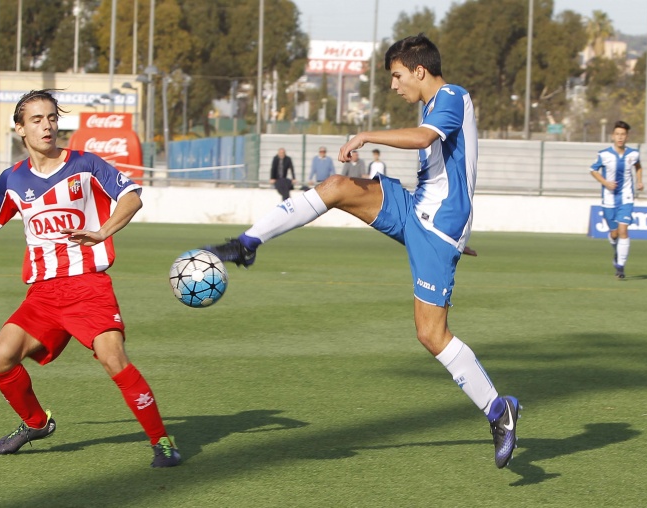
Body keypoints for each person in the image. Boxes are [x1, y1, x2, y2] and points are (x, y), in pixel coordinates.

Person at [205, 34, 520, 469]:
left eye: (396, 76)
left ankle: (498, 411)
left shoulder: (451, 96)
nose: (394, 85)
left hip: (435, 230)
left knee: (431, 334)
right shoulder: (432, 103)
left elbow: (424, 138)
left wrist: (369, 134)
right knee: (337, 186)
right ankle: (247, 243)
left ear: (419, 70)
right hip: (416, 211)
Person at [0, 89, 181, 468]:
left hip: (88, 286)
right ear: (20, 128)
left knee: (114, 359)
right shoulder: (12, 179)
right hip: (44, 294)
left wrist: (102, 232)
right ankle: (36, 424)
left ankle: (162, 441)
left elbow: (132, 197)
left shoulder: (86, 163)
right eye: (36, 119)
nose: (47, 125)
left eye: (51, 117)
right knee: (0, 357)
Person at [589, 120, 644, 279]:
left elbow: (638, 166)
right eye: (617, 134)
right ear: (613, 136)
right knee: (614, 234)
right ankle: (616, 252)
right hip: (609, 199)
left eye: (623, 134)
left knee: (623, 231)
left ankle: (620, 267)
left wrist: (639, 181)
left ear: (627, 137)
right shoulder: (604, 154)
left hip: (626, 197)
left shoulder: (633, 154)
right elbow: (593, 170)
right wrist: (605, 182)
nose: (620, 137)